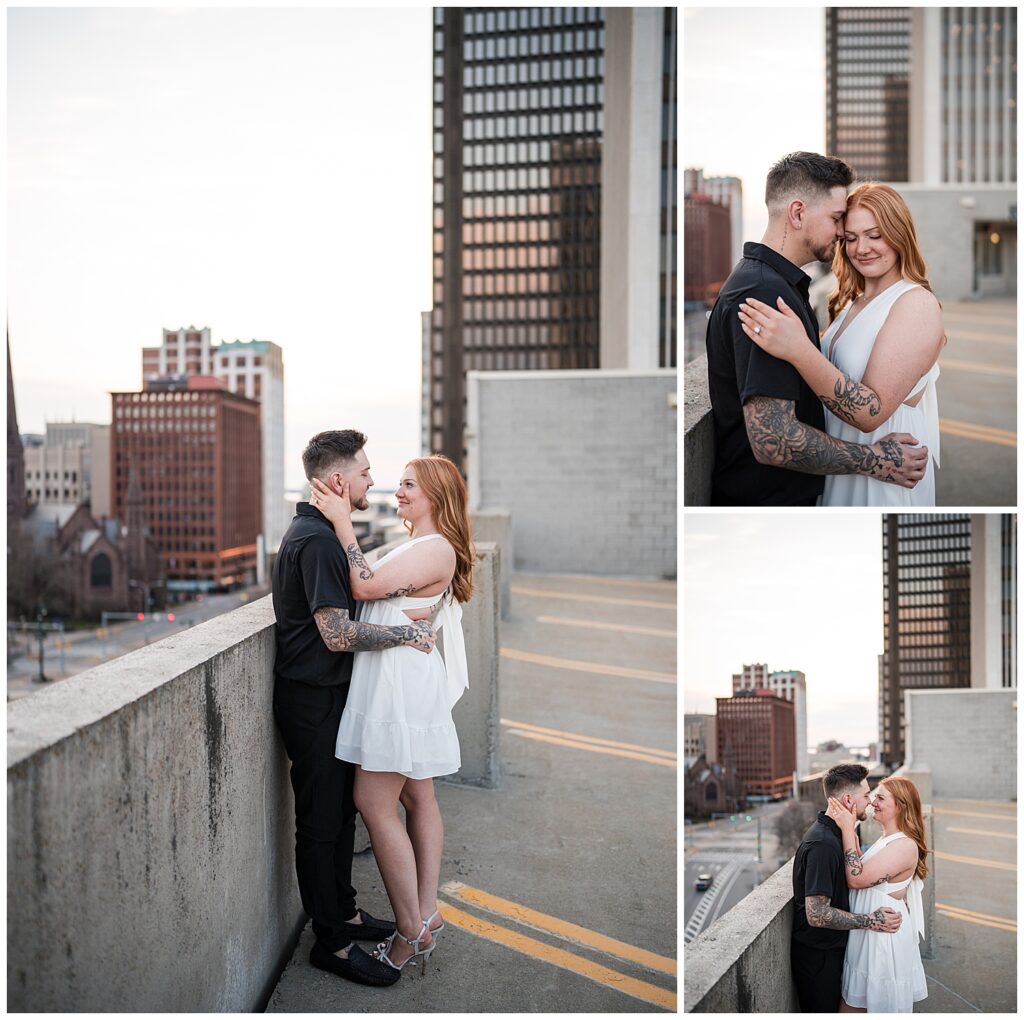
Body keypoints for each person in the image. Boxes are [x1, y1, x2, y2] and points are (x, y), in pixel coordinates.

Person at [272, 430, 438, 988]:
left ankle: (345, 912)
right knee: (320, 826)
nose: (373, 481)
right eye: (365, 472)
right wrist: (404, 637)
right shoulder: (316, 540)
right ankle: (333, 944)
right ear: (339, 481)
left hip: (330, 697)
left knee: (341, 815)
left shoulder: (323, 532)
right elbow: (337, 633)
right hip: (311, 700)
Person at [309, 453, 474, 982]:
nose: (398, 492)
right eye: (399, 483)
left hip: (399, 685)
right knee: (417, 795)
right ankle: (426, 912)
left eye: (408, 485)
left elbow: (364, 588)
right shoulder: (423, 545)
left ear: (435, 496)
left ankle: (409, 930)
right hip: (401, 677)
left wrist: (341, 522)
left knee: (372, 802)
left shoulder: (435, 549)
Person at [705, 151, 928, 505]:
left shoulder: (777, 285)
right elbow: (774, 440)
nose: (844, 236)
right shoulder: (763, 292)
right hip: (769, 505)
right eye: (839, 220)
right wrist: (875, 460)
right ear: (797, 213)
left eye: (874, 235)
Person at [791, 764, 903, 1013]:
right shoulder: (823, 844)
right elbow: (817, 913)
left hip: (833, 952)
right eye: (866, 795)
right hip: (819, 960)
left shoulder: (838, 835)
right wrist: (872, 921)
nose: (871, 801)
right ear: (848, 799)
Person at [826, 776, 929, 1012]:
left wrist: (846, 828)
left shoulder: (904, 846)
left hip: (883, 943)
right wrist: (850, 827)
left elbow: (855, 878)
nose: (873, 803)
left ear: (901, 806)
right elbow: (863, 865)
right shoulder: (888, 840)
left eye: (881, 798)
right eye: (873, 797)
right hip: (870, 935)